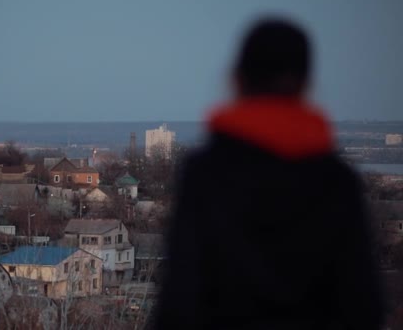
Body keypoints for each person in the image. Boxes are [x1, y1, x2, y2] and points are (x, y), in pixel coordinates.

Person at [155, 18, 383, 329]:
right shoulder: (336, 181)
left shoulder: (207, 173)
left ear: (237, 80)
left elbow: (179, 299)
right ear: (305, 85)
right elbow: (363, 305)